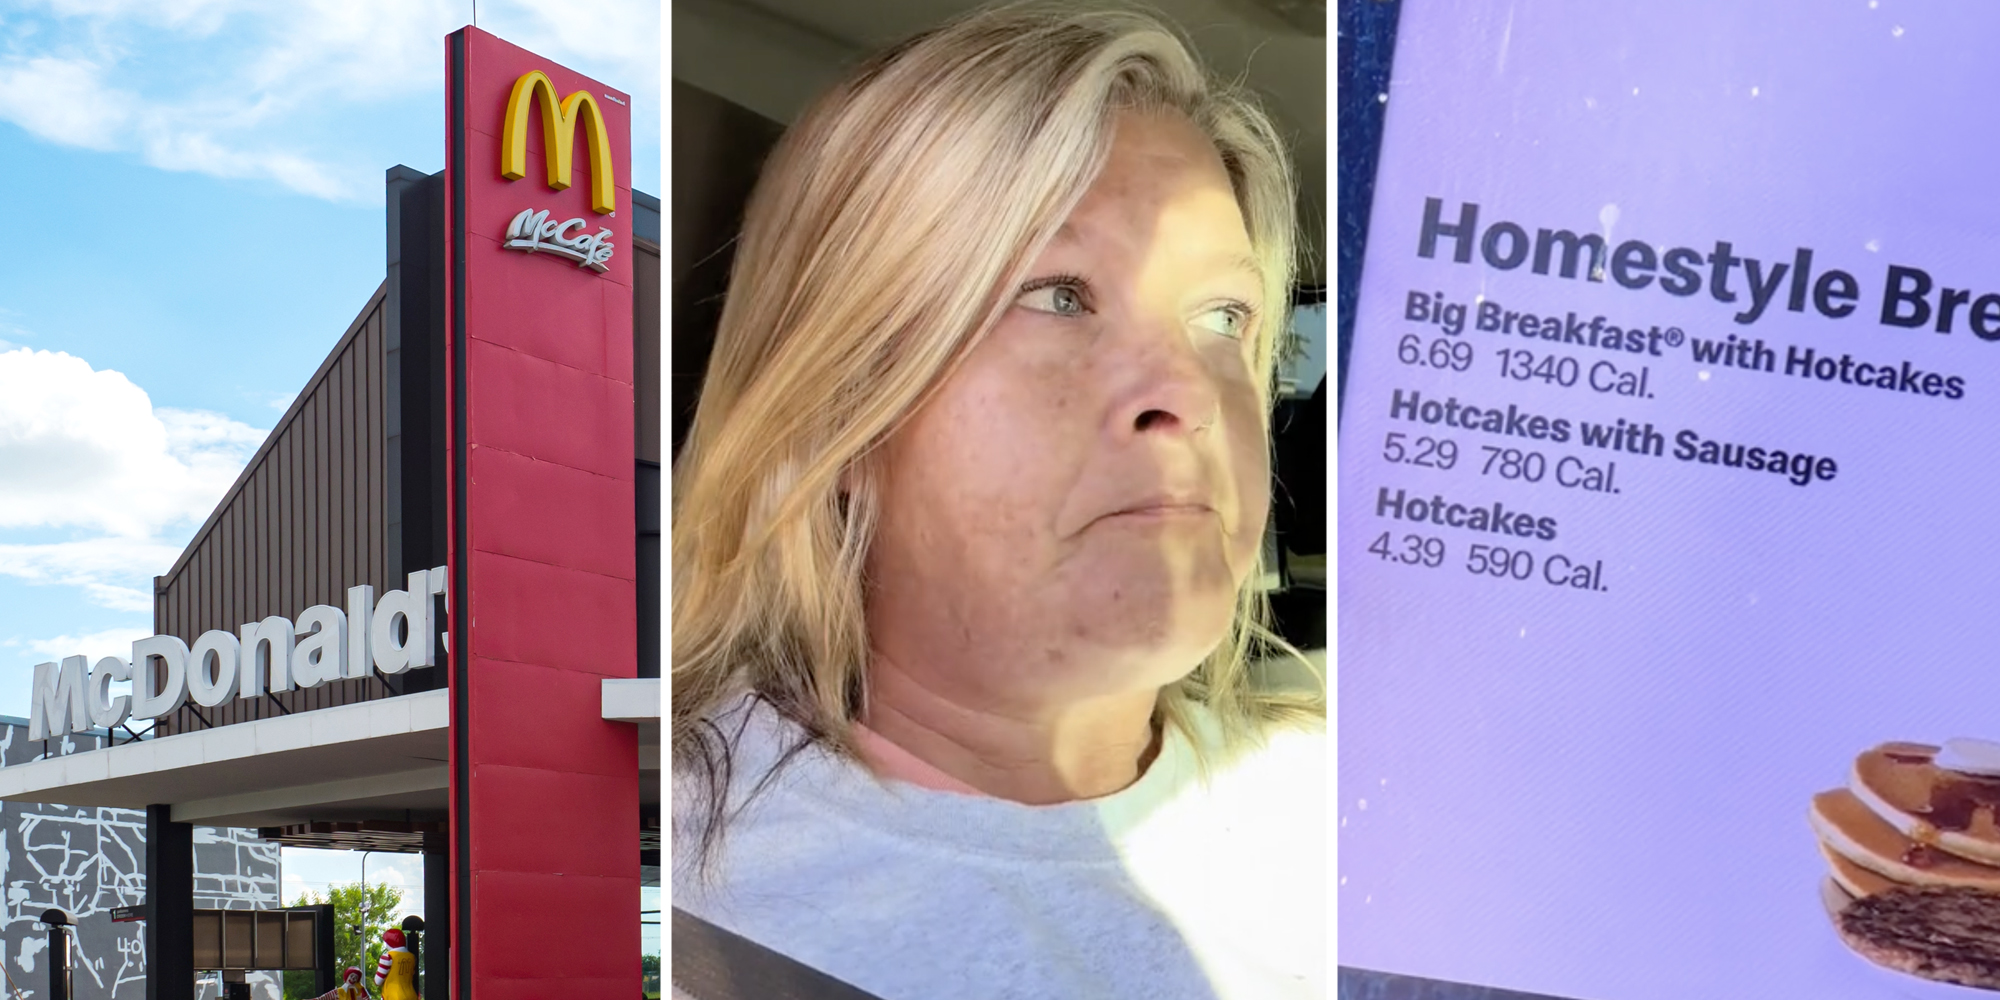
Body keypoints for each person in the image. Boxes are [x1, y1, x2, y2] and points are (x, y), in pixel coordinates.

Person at [670, 5, 1326, 999]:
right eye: (1059, 294)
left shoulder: (1379, 818)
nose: (1188, 392)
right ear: (837, 406)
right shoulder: (690, 908)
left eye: (1222, 315)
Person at [372, 928, 418, 1000]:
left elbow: (377, 981)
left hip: (393, 996)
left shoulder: (387, 957)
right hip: (411, 995)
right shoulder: (412, 957)